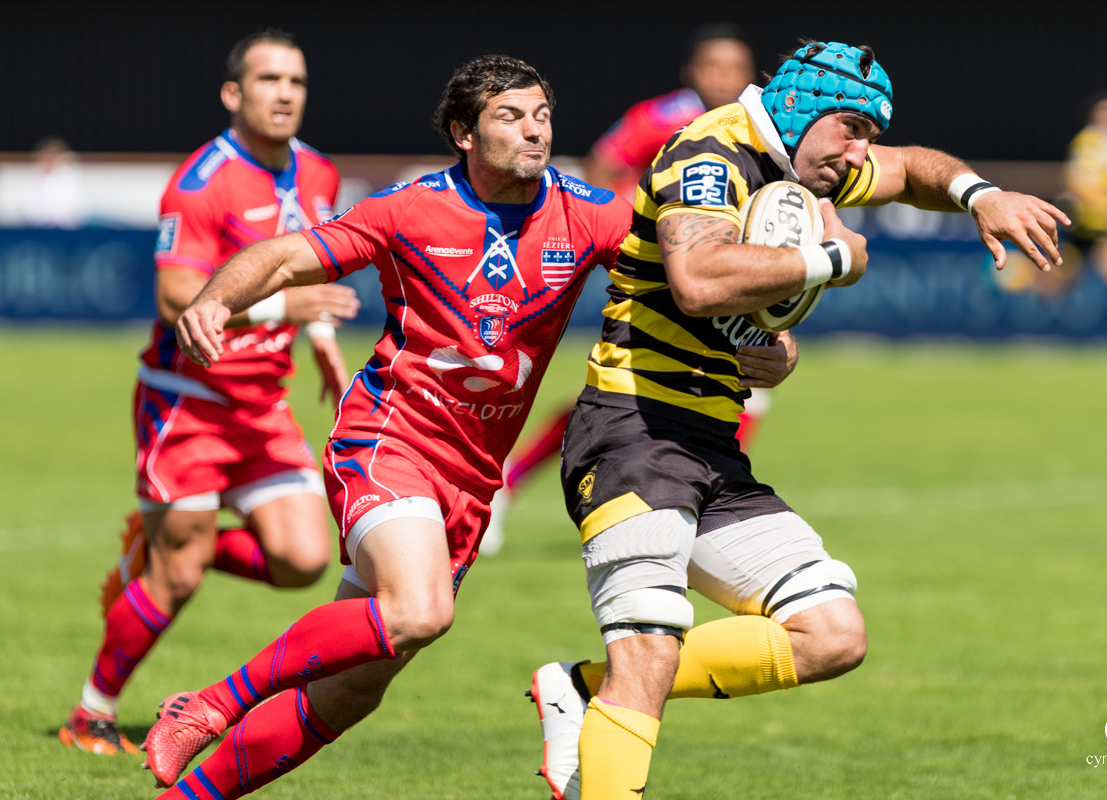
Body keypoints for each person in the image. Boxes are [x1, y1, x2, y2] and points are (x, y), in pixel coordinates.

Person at [135, 54, 799, 798]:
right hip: (388, 443)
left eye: (542, 115)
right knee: (420, 611)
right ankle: (212, 704)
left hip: (472, 479)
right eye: (510, 116)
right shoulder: (408, 209)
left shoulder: (586, 212)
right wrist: (216, 300)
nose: (533, 130)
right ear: (463, 132)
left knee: (352, 690)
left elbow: (683, 278)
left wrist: (758, 340)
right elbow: (289, 255)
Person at [527, 40, 1068, 800]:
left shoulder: (805, 161)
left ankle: (584, 689)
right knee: (648, 649)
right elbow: (696, 277)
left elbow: (913, 170)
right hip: (634, 430)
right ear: (798, 106)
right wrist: (833, 259)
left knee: (833, 634)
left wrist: (981, 194)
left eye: (868, 137)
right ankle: (614, 698)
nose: (859, 154)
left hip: (710, 444)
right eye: (850, 128)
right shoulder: (712, 150)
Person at [58, 29, 359, 757]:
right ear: (234, 93)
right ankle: (91, 714)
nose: (285, 92)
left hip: (260, 403)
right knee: (176, 580)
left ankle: (171, 548)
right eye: (268, 79)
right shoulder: (201, 183)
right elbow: (174, 295)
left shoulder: (317, 172)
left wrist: (319, 345)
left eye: (297, 80)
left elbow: (311, 271)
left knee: (302, 561)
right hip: (185, 402)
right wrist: (286, 312)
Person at [479, 23, 760, 557]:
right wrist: (649, 230)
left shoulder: (751, 126)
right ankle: (506, 484)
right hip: (660, 272)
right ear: (692, 72)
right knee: (627, 386)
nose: (725, 77)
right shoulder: (660, 118)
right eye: (715, 67)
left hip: (725, 272)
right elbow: (601, 169)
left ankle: (696, 498)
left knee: (745, 393)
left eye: (736, 69)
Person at [993, 91, 1107, 354]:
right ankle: (1015, 274)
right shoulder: (1094, 143)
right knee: (1055, 285)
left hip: (1102, 230)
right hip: (1082, 226)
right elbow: (1078, 183)